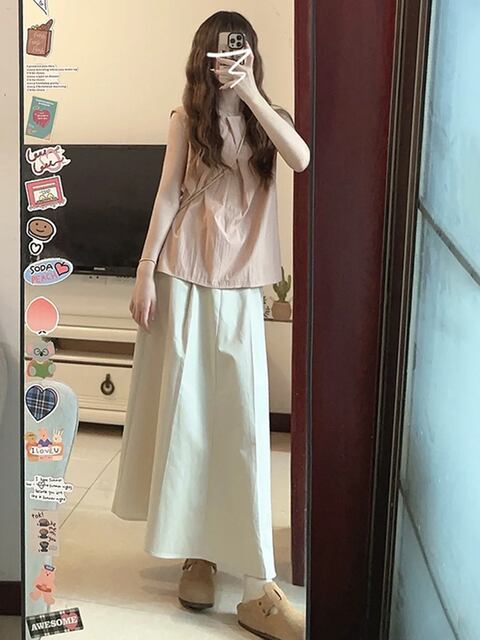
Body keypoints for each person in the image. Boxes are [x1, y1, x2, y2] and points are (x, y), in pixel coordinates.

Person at [112, 10, 310, 640]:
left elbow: (301, 158)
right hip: (184, 276)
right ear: (204, 55)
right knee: (189, 419)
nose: (230, 59)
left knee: (244, 424)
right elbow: (167, 195)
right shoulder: (186, 120)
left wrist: (251, 94)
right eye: (221, 50)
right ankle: (197, 554)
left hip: (242, 286)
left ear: (251, 55)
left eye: (240, 49)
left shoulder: (266, 117)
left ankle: (256, 583)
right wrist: (144, 271)